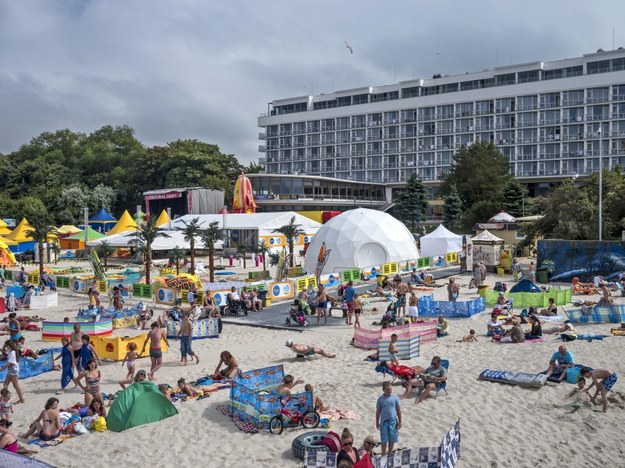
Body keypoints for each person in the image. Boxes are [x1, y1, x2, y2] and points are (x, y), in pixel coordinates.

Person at [376, 381, 401, 455]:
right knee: (384, 439)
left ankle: (390, 453)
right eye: (387, 390)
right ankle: (383, 454)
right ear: (383, 390)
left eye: (390, 389)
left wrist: (400, 421)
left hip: (393, 421)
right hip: (384, 422)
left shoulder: (395, 397)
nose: (389, 391)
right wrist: (377, 422)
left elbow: (398, 410)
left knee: (392, 438)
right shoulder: (380, 399)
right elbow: (378, 412)